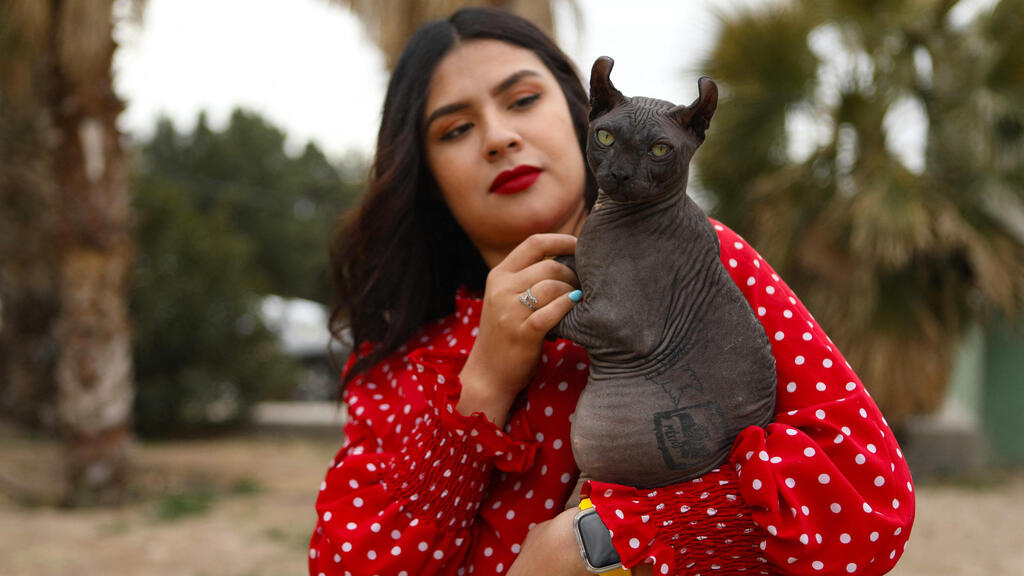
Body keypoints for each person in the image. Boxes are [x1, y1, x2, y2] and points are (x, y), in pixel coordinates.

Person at [310, 7, 914, 576]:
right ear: (427, 173)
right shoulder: (403, 362)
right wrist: (485, 380)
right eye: (456, 128)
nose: (498, 137)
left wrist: (594, 542)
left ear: (583, 115)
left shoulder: (703, 258)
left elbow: (869, 501)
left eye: (523, 100)